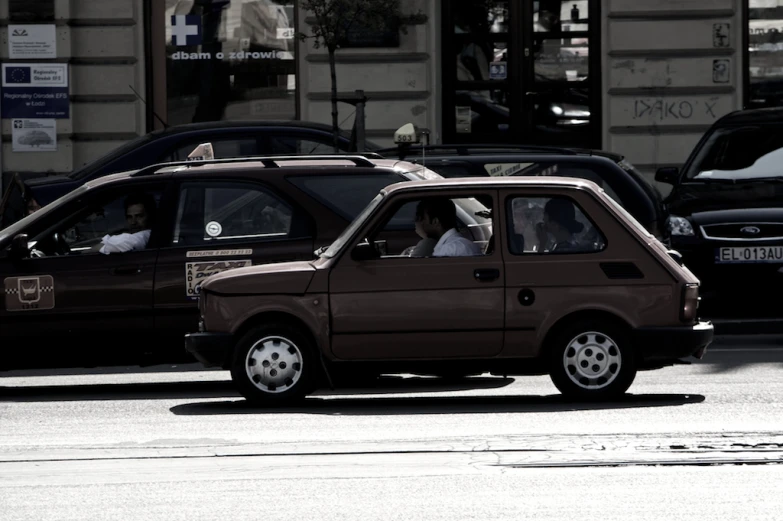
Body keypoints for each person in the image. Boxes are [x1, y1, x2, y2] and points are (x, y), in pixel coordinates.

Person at [413, 198, 482, 257]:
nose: (420, 224)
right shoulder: (459, 244)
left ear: (435, 222)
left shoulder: (448, 250)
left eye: (422, 219)